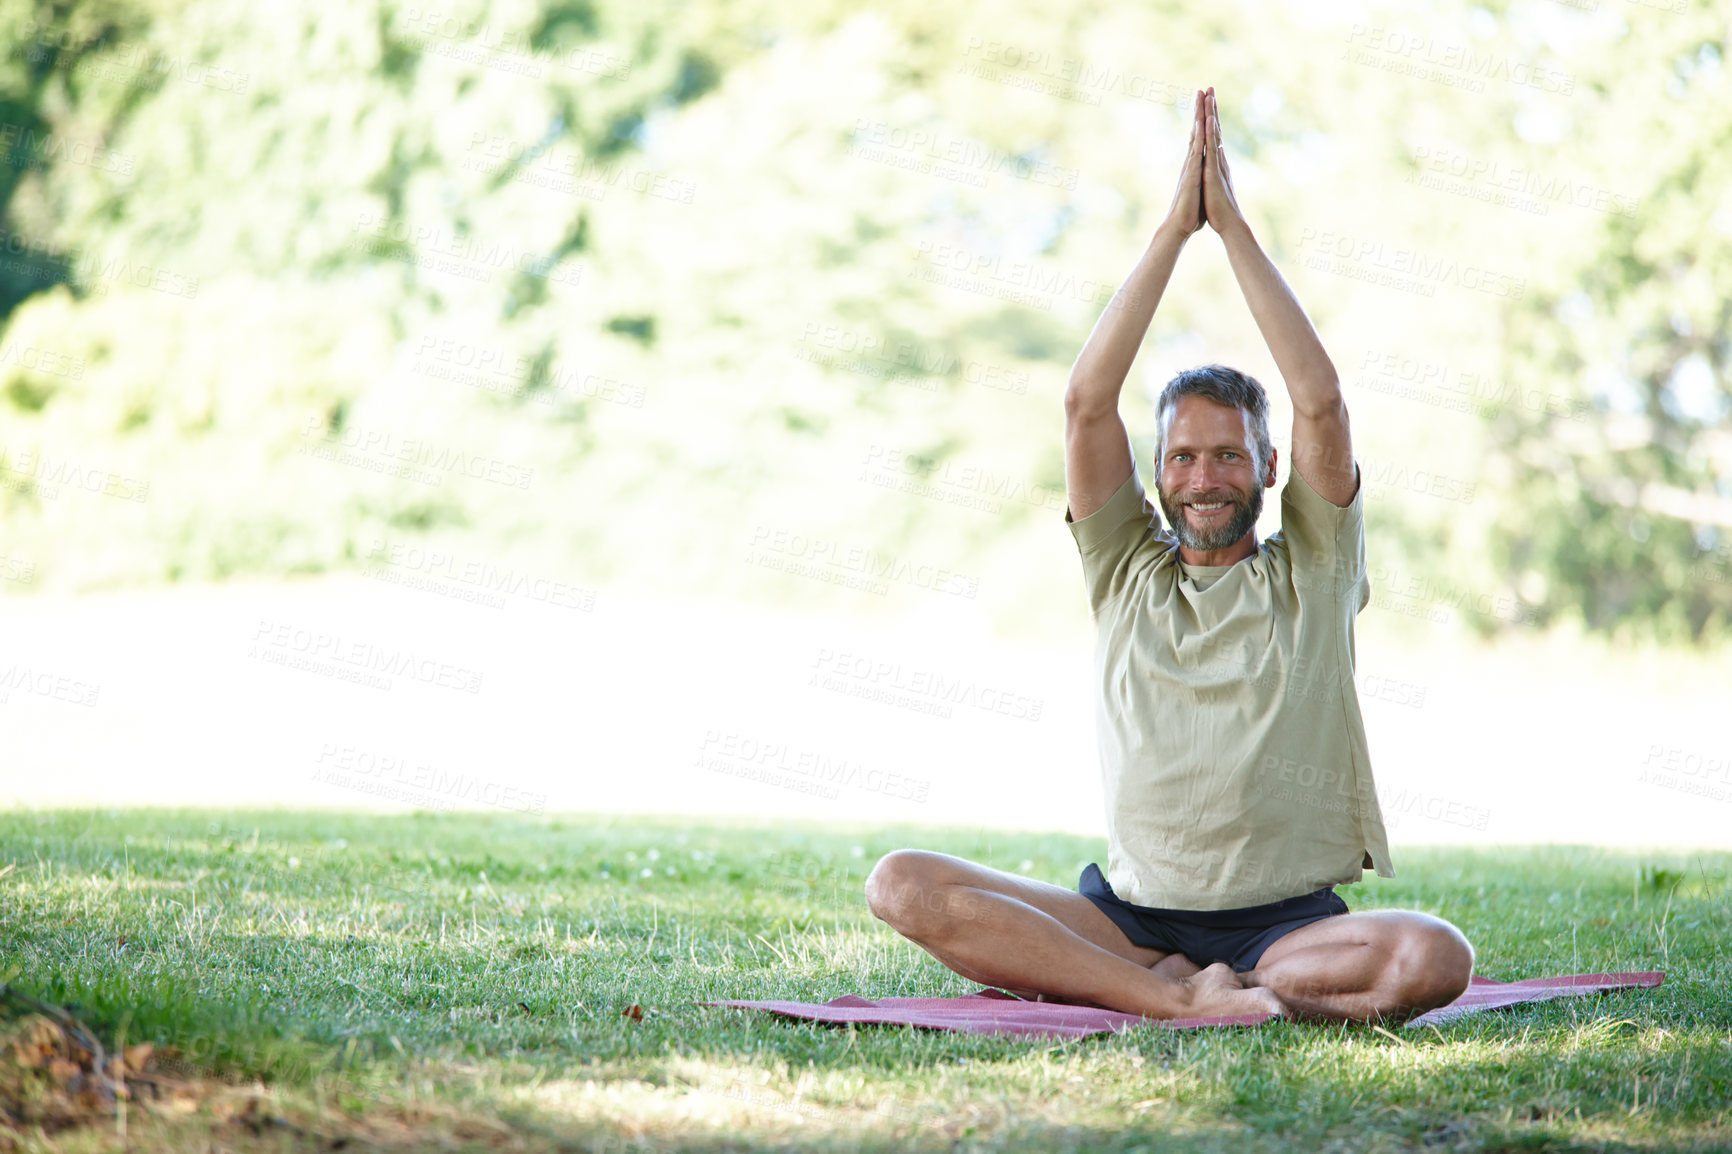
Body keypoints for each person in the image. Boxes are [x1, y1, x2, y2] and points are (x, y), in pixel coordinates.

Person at [865, 88, 1474, 1023]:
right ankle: (1179, 998)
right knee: (901, 884)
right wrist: (1168, 234)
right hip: (1130, 919)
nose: (1204, 477)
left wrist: (1228, 231)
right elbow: (1084, 402)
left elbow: (1321, 402)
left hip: (1289, 928)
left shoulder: (1311, 570)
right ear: (1156, 475)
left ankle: (1208, 991)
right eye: (1182, 457)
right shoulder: (1125, 571)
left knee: (1433, 956)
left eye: (1229, 454)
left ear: (1269, 468)